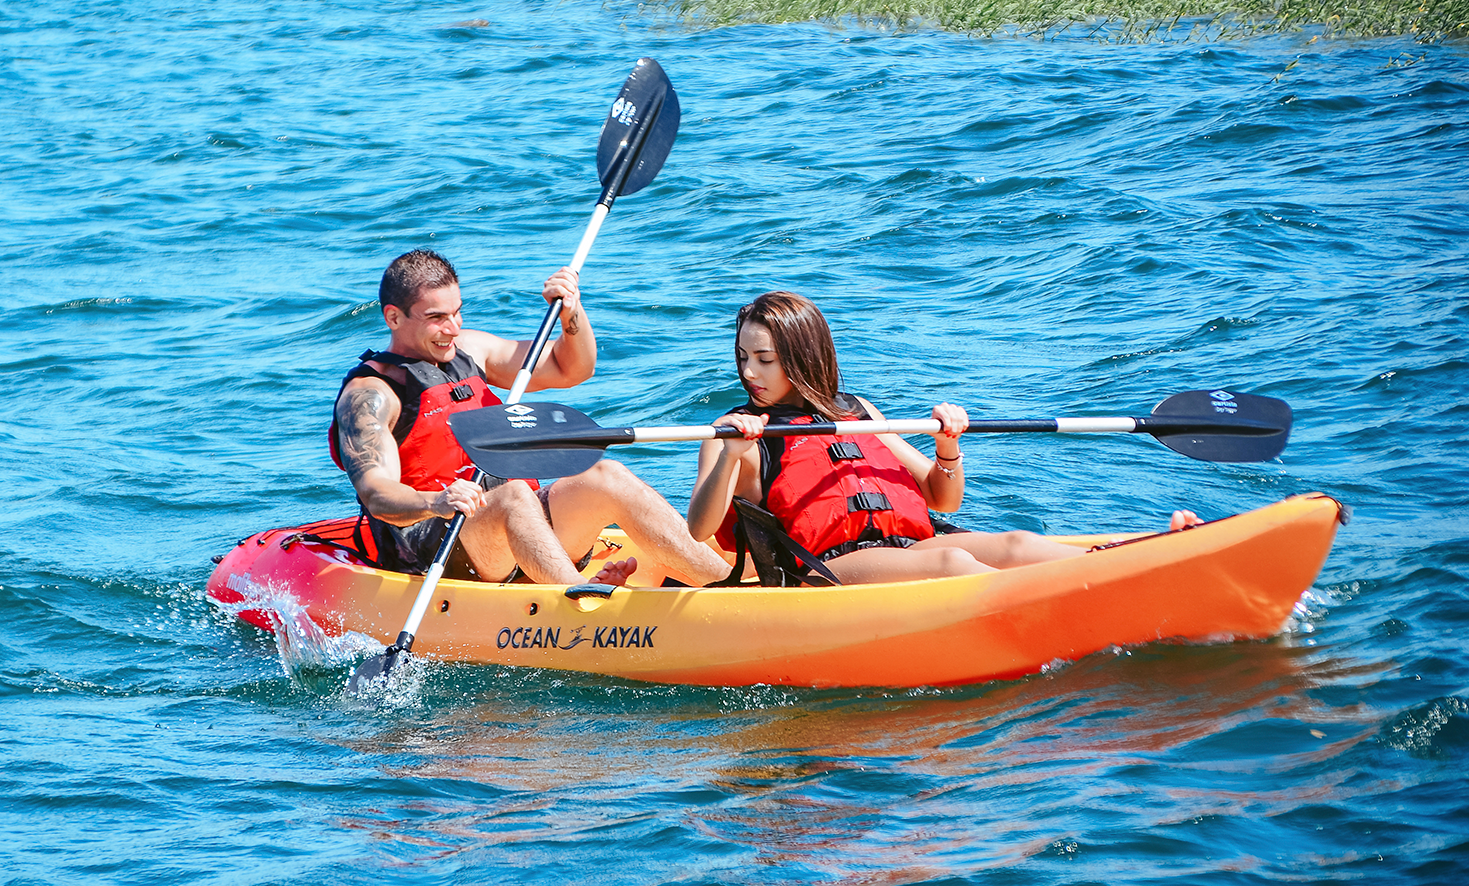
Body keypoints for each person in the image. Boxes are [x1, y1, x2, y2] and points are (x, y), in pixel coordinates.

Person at [686, 291, 1200, 585]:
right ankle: (1070, 599)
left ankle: (1139, 570)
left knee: (1017, 543)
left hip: (910, 544)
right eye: (743, 358)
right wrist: (732, 454)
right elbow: (700, 528)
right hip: (829, 568)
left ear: (802, 357)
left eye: (765, 360)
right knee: (952, 561)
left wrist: (949, 446)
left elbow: (941, 499)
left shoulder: (857, 412)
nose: (750, 372)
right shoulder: (738, 431)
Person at [331, 249, 735, 589]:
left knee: (604, 475)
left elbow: (569, 368)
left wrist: (571, 315)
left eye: (457, 313)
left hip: (518, 526)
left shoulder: (470, 350)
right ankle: (581, 602)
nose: (452, 329)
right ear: (394, 317)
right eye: (436, 317)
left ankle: (727, 587)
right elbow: (376, 493)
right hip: (437, 541)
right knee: (512, 497)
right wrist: (437, 501)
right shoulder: (371, 394)